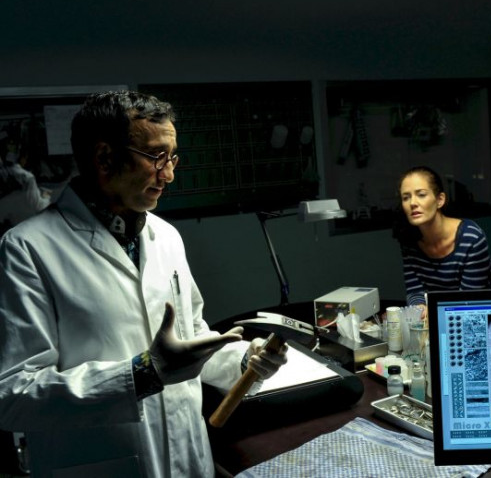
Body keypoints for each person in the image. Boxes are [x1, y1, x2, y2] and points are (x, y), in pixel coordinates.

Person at [0, 90, 287, 478]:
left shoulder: (165, 236)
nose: (169, 174)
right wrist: (142, 375)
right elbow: (14, 395)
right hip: (104, 465)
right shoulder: (26, 248)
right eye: (156, 157)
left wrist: (243, 362)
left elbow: (188, 340)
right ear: (104, 158)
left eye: (172, 158)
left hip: (188, 457)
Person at [395, 166, 491, 316]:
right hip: (448, 311)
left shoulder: (471, 237)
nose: (412, 203)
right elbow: (415, 289)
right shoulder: (408, 239)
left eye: (421, 195)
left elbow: (467, 302)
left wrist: (433, 313)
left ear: (440, 200)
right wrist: (419, 310)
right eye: (406, 197)